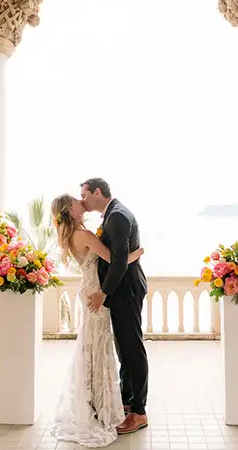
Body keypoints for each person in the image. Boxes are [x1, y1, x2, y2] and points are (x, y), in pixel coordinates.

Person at [50, 193, 144, 447]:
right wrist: (137, 253)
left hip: (88, 289)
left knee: (91, 345)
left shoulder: (71, 234)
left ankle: (94, 402)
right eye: (77, 200)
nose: (82, 202)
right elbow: (115, 259)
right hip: (96, 294)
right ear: (70, 208)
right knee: (98, 347)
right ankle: (101, 406)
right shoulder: (85, 235)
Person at [81, 178, 149, 436]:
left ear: (97, 192)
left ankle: (139, 412)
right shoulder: (113, 213)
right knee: (124, 347)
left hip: (126, 290)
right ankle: (127, 400)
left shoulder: (117, 216)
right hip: (122, 290)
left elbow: (120, 260)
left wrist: (103, 292)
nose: (83, 201)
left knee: (132, 347)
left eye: (85, 195)